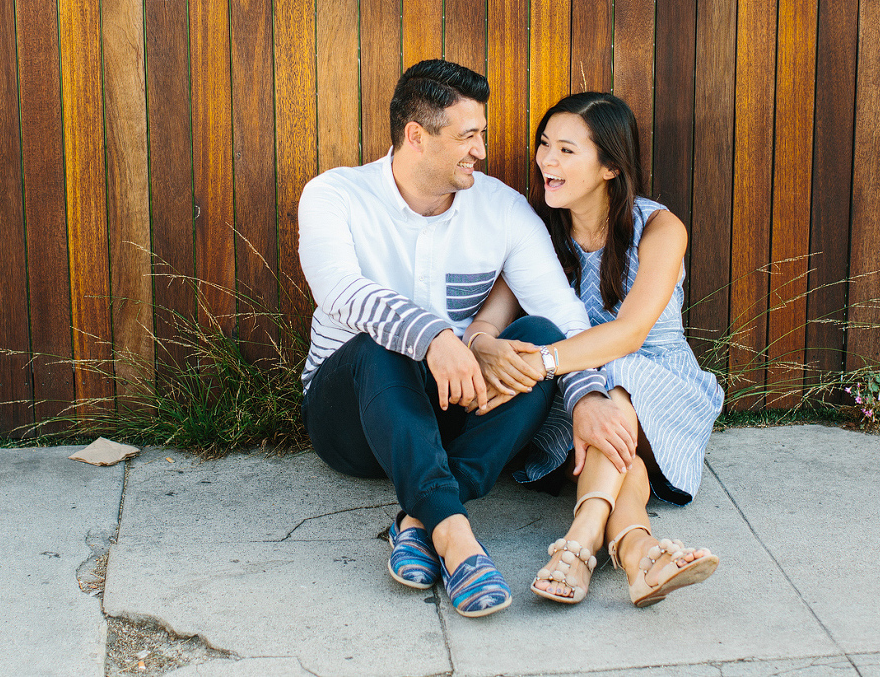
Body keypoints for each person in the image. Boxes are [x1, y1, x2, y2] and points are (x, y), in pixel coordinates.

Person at [297, 60, 609, 618]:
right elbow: (341, 291)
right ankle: (459, 539)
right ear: (416, 136)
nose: (481, 152)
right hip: (355, 419)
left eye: (481, 135)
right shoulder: (335, 195)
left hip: (455, 413)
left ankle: (422, 519)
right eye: (468, 137)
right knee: (380, 345)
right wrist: (437, 335)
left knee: (536, 338)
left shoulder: (502, 208)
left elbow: (562, 317)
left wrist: (586, 395)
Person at [463, 92, 722, 607]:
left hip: (658, 381)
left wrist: (540, 362)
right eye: (543, 145)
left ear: (609, 166)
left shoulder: (660, 228)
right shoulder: (540, 231)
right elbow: (488, 321)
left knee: (618, 378)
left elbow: (629, 334)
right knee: (623, 451)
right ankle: (639, 554)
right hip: (579, 392)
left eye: (565, 150)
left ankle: (579, 542)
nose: (546, 160)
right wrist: (484, 346)